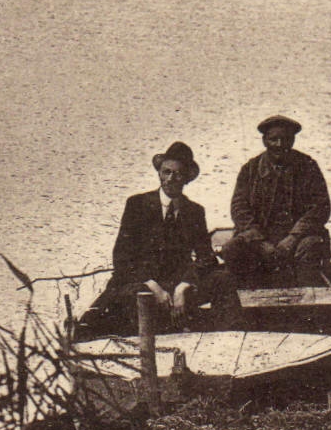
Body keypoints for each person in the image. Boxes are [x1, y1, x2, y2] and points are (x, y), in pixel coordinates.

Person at [76, 142, 222, 339]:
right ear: (159, 174)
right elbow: (122, 258)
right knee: (94, 324)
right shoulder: (137, 205)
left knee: (223, 279)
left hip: (176, 284)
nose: (170, 179)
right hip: (140, 281)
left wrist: (184, 285)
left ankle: (230, 340)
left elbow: (206, 258)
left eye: (177, 174)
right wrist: (153, 286)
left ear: (186, 178)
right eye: (166, 172)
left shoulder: (194, 211)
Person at [221, 115, 331, 286]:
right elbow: (239, 208)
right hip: (260, 238)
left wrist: (293, 238)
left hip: (298, 239)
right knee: (231, 249)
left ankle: (307, 305)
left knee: (312, 247)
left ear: (293, 140)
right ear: (264, 141)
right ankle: (245, 300)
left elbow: (320, 208)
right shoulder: (250, 169)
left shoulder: (308, 166)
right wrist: (259, 241)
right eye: (274, 139)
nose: (279, 145)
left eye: (286, 139)